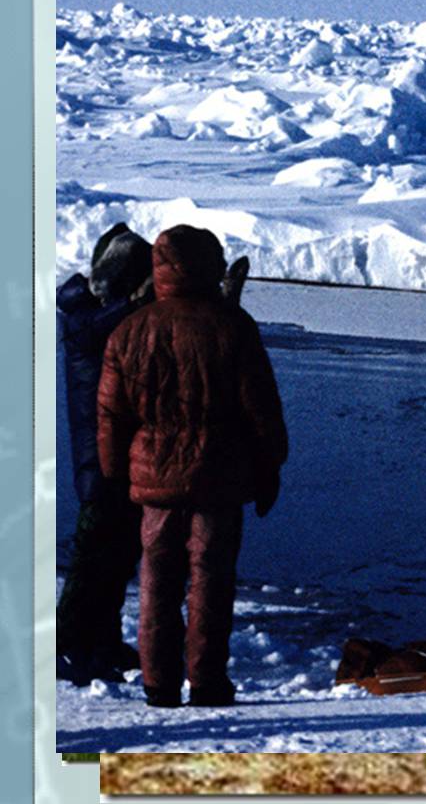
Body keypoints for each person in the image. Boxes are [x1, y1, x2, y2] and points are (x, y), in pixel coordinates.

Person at [98, 225, 288, 708]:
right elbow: (261, 408)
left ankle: (158, 684)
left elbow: (111, 415)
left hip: (154, 482)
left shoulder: (130, 329)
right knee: (211, 580)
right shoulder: (231, 326)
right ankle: (207, 683)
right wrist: (270, 466)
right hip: (218, 480)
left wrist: (114, 475)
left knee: (156, 581)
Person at [55, 224, 152, 686]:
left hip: (118, 458)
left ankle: (102, 641)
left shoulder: (100, 315)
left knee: (115, 558)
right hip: (100, 465)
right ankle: (65, 643)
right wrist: (135, 304)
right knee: (92, 559)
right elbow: (100, 327)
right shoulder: (82, 317)